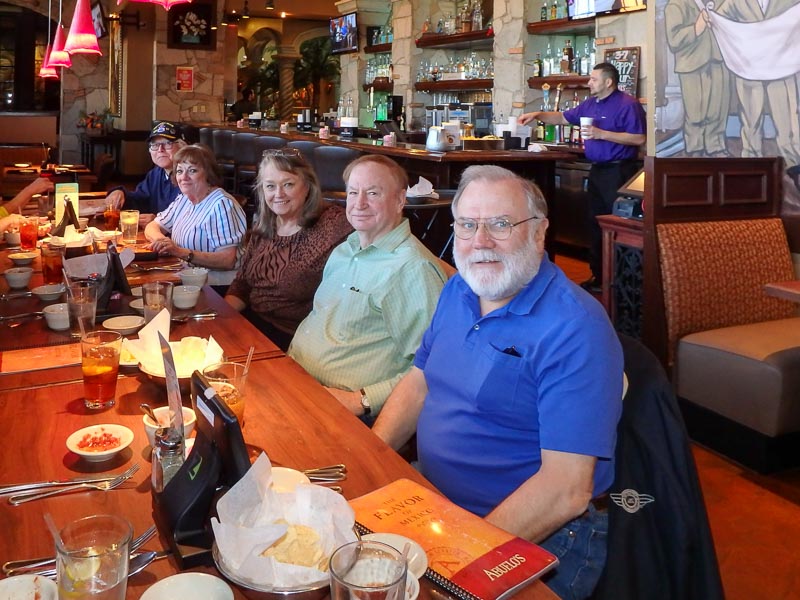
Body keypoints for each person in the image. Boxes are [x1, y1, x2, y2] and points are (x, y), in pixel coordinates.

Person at [373, 165, 624, 600]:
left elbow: (566, 490)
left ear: (539, 233)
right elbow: (419, 382)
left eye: (501, 224)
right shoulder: (460, 290)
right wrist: (371, 459)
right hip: (437, 502)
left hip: (540, 534)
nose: (480, 242)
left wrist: (462, 556)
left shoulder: (575, 328)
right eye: (468, 225)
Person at [288, 154, 447, 424]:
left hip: (350, 412)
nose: (359, 203)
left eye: (373, 193)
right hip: (297, 382)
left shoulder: (412, 269)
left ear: (400, 200)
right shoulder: (345, 250)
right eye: (353, 192)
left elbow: (435, 366)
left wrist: (362, 400)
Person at [519, 62, 646, 293]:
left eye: (593, 79)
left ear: (608, 82)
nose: (589, 83)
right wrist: (537, 114)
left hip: (619, 171)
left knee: (615, 225)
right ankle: (599, 277)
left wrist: (601, 134)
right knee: (595, 224)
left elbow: (638, 139)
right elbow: (563, 118)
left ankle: (620, 282)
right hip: (596, 169)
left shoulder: (628, 105)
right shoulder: (590, 104)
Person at [225, 149, 353, 351]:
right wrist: (221, 319)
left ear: (308, 186)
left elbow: (373, 227)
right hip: (251, 325)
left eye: (288, 184)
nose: (278, 194)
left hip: (295, 340)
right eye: (270, 186)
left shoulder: (333, 224)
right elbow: (242, 284)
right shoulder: (265, 226)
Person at [144, 144, 247, 287]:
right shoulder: (184, 199)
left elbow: (228, 260)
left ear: (208, 174)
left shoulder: (222, 204)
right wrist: (162, 241)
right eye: (179, 171)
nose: (184, 177)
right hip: (186, 279)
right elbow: (153, 226)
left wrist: (179, 252)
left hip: (216, 286)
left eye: (192, 170)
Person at [105, 121, 186, 224]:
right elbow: (140, 200)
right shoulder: (155, 174)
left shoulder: (189, 178)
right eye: (155, 145)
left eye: (168, 144)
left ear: (182, 147)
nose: (160, 149)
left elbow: (192, 219)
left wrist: (159, 221)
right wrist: (121, 194)